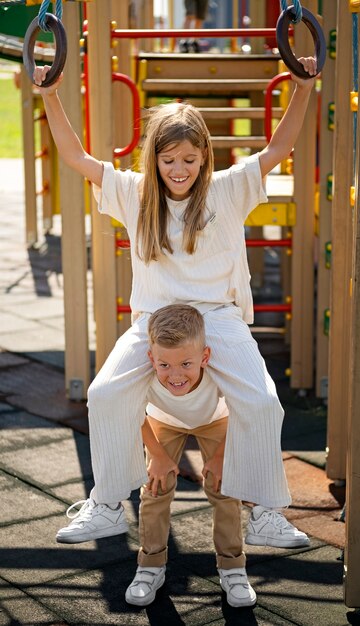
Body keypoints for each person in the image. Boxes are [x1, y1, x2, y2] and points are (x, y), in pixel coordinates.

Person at [34, 56, 316, 556]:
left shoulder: (226, 190)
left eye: (188, 159)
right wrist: (50, 96)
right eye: (168, 161)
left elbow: (279, 147)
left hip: (217, 317)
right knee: (103, 394)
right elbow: (77, 159)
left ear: (204, 156)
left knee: (264, 401)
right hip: (156, 320)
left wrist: (302, 88)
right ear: (154, 160)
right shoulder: (136, 193)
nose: (178, 170)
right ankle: (105, 503)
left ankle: (267, 512)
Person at [125, 303, 256, 607]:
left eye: (186, 364)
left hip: (216, 418)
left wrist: (222, 454)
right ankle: (150, 565)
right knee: (155, 488)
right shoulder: (142, 373)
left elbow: (245, 407)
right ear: (151, 359)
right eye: (165, 365)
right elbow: (131, 412)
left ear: (204, 357)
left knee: (224, 488)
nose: (175, 375)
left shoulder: (219, 370)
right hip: (163, 420)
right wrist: (157, 454)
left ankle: (232, 567)